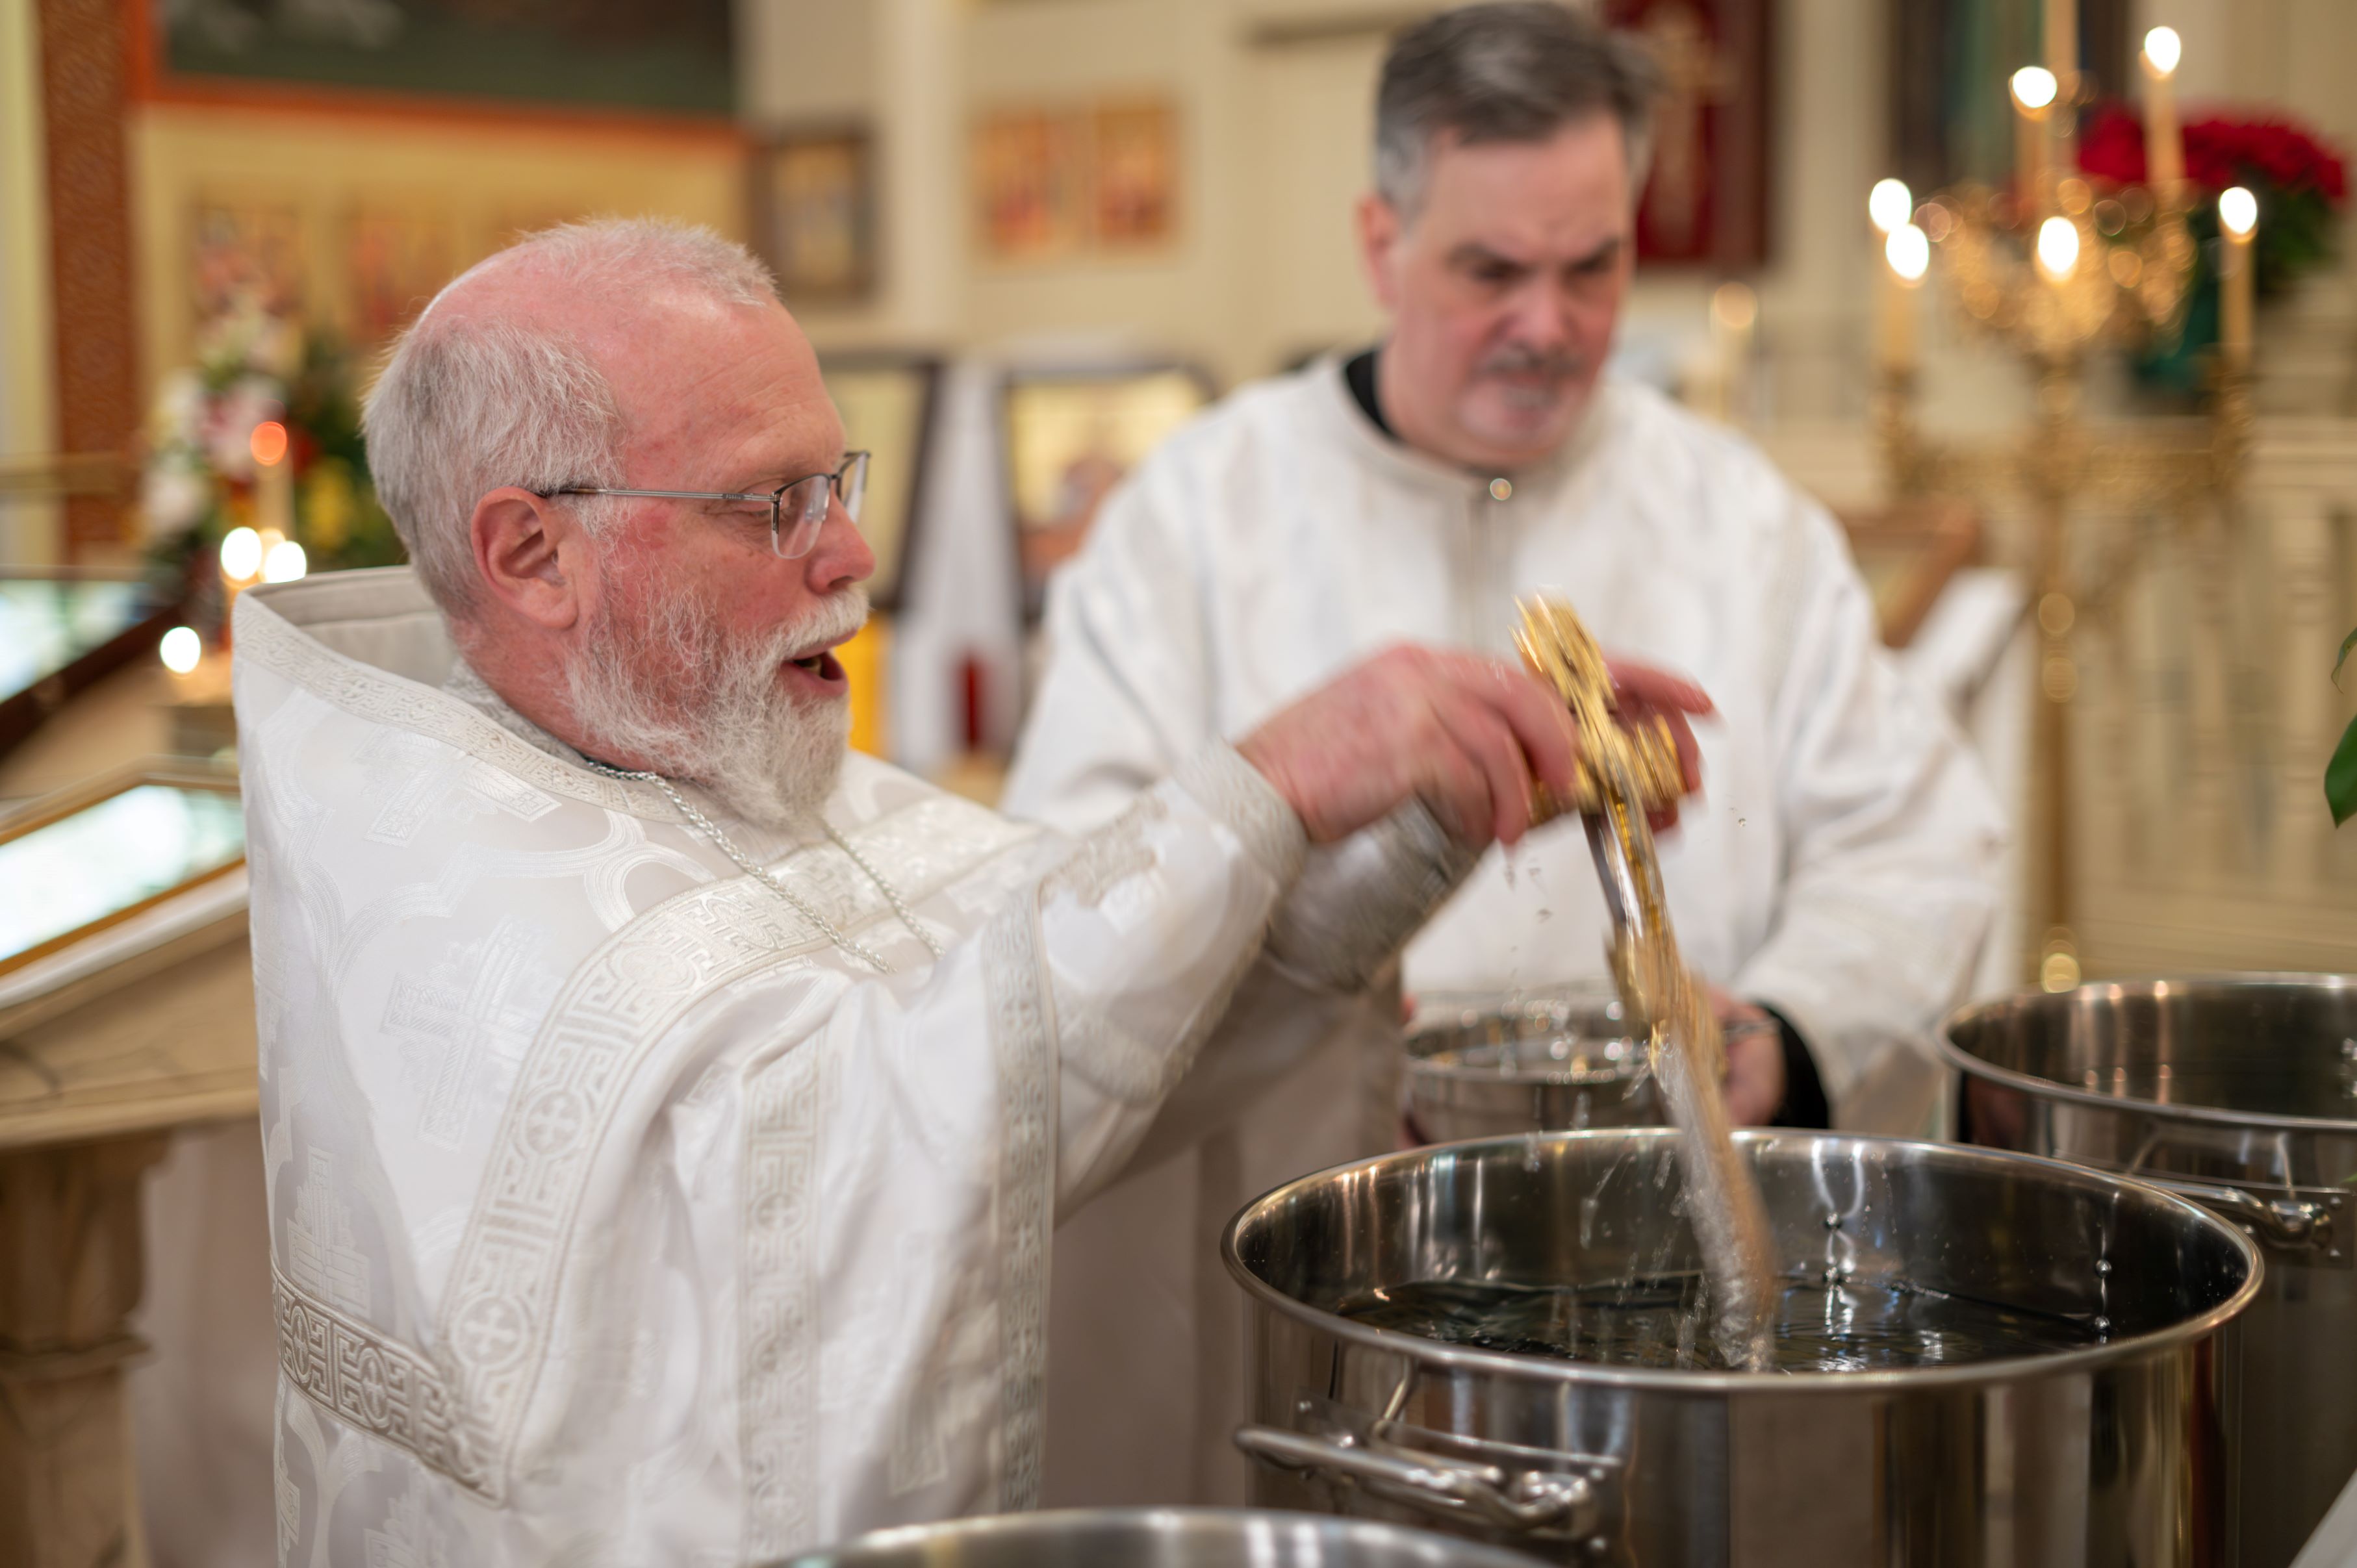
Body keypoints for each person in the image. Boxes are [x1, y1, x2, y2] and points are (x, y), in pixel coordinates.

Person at [235, 218, 1707, 1564]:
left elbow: (1101, 1070)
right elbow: (847, 1187)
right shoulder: (452, 901)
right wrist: (1267, 782)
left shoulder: (736, 759)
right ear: (531, 553)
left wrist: (1413, 831)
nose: (852, 553)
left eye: (838, 482)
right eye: (773, 503)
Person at [1004, 0, 2005, 1507]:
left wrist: (1785, 1033)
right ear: (1379, 242)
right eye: (1489, 271)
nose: (1548, 324)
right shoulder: (1194, 521)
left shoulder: (1736, 522)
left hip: (1661, 1273)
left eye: (1589, 265)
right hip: (1315, 1253)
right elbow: (1075, 896)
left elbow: (1919, 841)